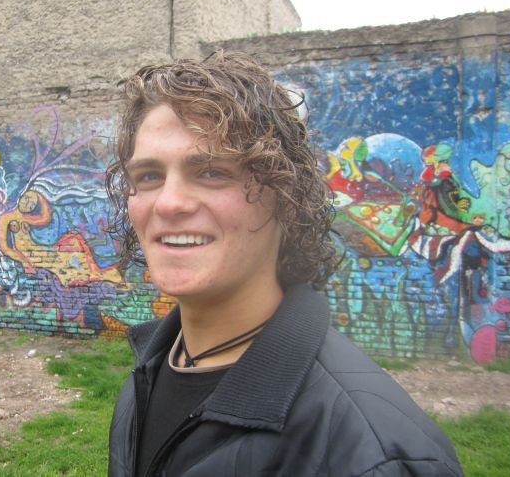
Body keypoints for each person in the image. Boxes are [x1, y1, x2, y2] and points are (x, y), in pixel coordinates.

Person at [106, 51, 463, 476]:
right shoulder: (151, 368)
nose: (168, 203)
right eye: (149, 176)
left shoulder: (373, 456)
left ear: (287, 195)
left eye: (213, 172)